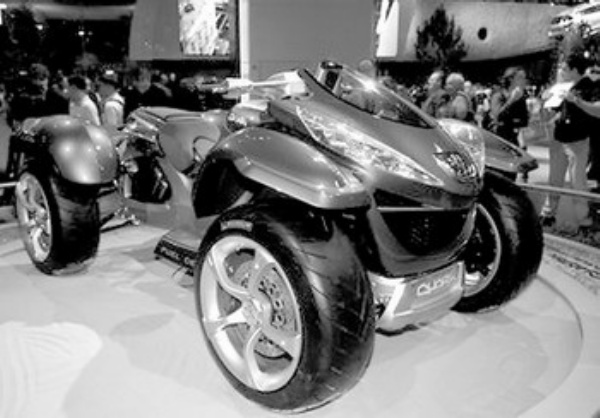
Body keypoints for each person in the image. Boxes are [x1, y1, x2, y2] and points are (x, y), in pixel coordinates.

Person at [540, 53, 595, 230]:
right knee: (554, 179)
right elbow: (551, 112)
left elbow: (597, 110)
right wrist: (546, 100)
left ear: (574, 70)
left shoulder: (589, 87)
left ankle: (584, 220)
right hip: (558, 139)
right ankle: (548, 214)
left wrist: (576, 101)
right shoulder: (561, 87)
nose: (561, 71)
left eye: (564, 68)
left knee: (577, 182)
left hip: (577, 141)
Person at [490, 66, 529, 147]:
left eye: (524, 78)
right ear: (511, 79)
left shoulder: (521, 98)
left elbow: (524, 122)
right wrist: (511, 100)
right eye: (520, 78)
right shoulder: (498, 95)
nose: (524, 81)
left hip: (515, 140)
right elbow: (497, 116)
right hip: (499, 138)